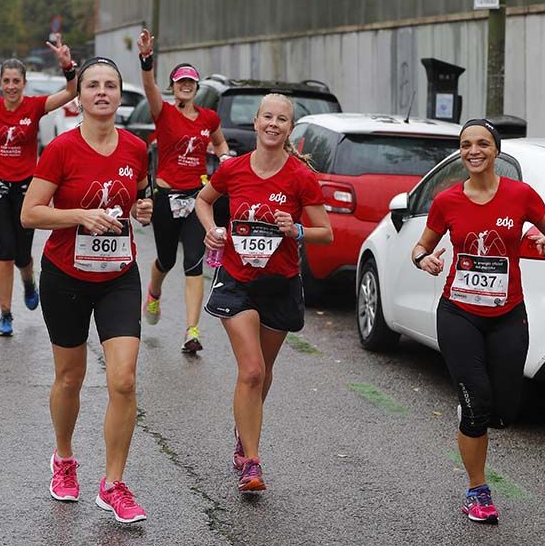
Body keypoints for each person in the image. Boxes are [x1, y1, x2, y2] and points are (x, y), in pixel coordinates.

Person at [410, 118, 545, 524]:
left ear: (496, 150)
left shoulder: (520, 195)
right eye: (466, 144)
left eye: (482, 143)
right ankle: (477, 490)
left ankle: (475, 411)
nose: (473, 151)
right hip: (458, 313)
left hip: (508, 315)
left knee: (504, 413)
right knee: (477, 404)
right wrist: (423, 259)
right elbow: (421, 246)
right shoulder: (447, 200)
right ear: (460, 152)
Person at [20, 57, 154, 523]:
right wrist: (79, 215)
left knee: (124, 379)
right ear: (79, 97)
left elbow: (139, 195)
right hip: (66, 276)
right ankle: (63, 458)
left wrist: (141, 210)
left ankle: (113, 484)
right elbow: (30, 213)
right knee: (70, 377)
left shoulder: (136, 147)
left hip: (118, 275)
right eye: (93, 85)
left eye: (110, 85)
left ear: (119, 95)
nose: (102, 92)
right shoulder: (61, 149)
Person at [195, 93, 332, 494]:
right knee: (252, 370)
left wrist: (297, 230)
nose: (273, 124)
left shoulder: (300, 177)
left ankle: (244, 435)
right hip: (237, 279)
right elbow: (204, 201)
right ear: (255, 123)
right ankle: (251, 463)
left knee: (263, 373)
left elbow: (325, 233)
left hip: (280, 282)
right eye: (267, 117)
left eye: (282, 119)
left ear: (290, 129)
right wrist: (211, 229)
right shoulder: (233, 169)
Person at [0, 16, 77, 337]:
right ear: (0, 83)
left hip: (27, 188)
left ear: (24, 83)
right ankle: (5, 314)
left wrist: (67, 65)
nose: (10, 86)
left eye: (15, 81)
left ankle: (28, 280)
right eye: (6, 81)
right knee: (5, 251)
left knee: (22, 255)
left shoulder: (35, 106)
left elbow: (71, 92)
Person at [135, 29, 229, 353]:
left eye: (191, 82)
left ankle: (192, 331)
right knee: (166, 259)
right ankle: (154, 292)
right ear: (173, 86)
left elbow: (219, 143)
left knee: (193, 262)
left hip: (196, 199)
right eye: (180, 82)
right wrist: (146, 58)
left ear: (197, 87)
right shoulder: (163, 113)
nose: (186, 86)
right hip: (165, 197)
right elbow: (149, 87)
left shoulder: (209, 118)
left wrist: (225, 158)